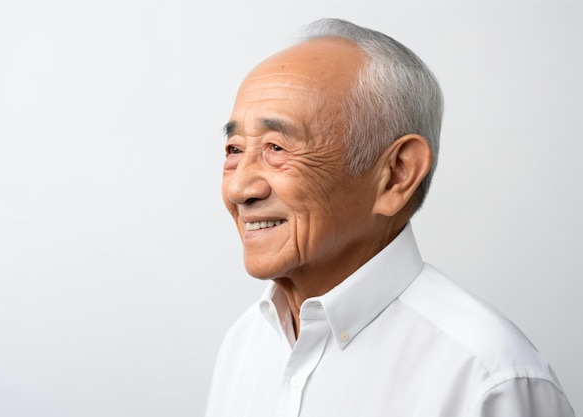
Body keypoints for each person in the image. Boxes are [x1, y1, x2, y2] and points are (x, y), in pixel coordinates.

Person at [205, 18, 574, 417]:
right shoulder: (246, 342)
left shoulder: (489, 379)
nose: (239, 189)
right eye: (234, 149)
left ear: (396, 174)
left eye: (277, 147)